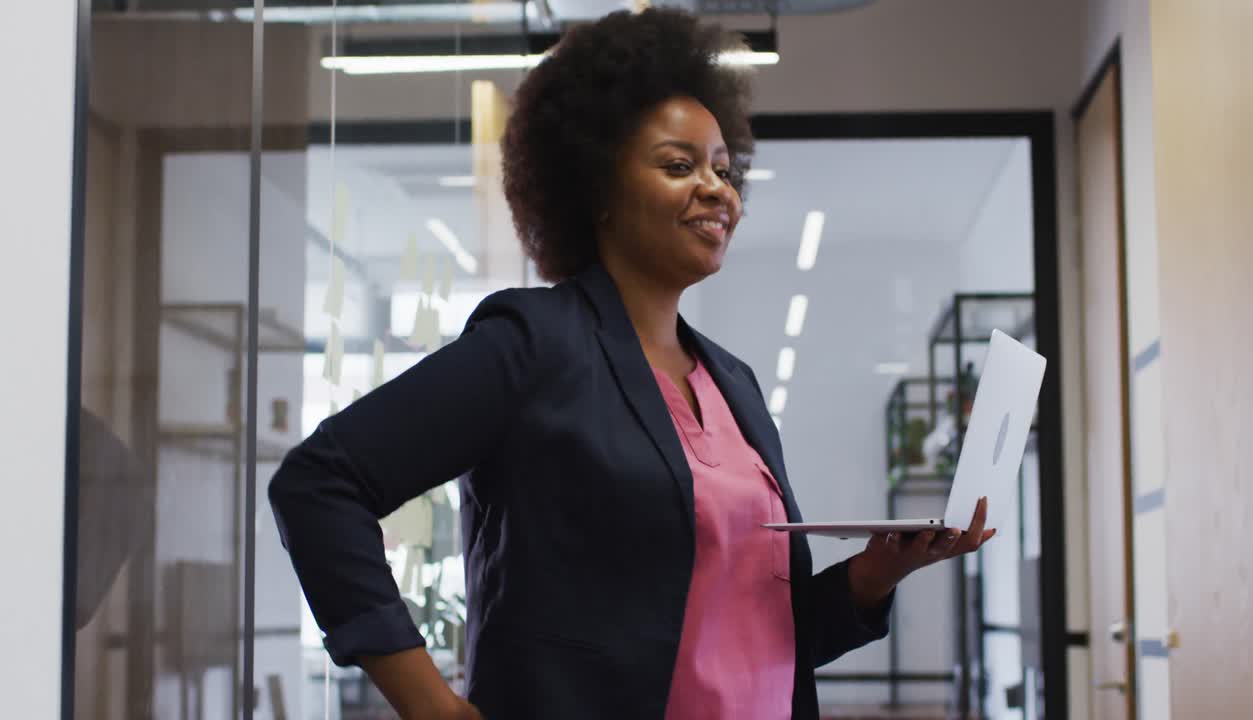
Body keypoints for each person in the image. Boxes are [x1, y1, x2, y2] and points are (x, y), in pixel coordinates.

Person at [268, 8, 994, 720]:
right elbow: (320, 484)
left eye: (723, 168)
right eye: (679, 166)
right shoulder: (533, 343)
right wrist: (429, 705)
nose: (717, 189)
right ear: (599, 192)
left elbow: (760, 634)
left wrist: (875, 573)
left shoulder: (732, 383)